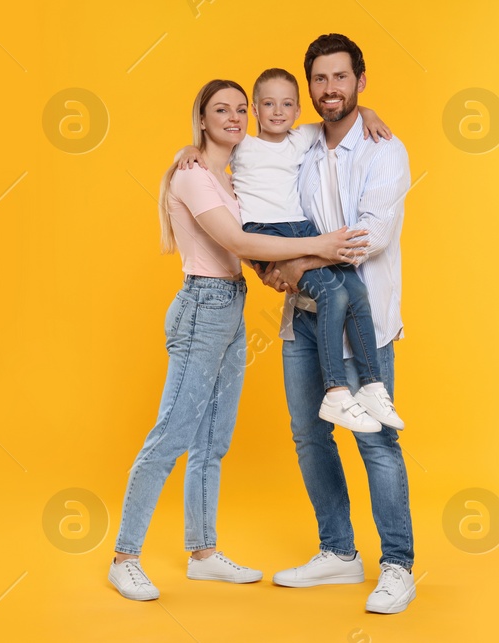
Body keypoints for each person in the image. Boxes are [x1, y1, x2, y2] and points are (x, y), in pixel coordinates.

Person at [108, 78, 370, 602]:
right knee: (172, 435)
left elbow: (246, 250)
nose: (234, 117)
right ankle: (124, 557)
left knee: (212, 441)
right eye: (220, 110)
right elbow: (235, 239)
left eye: (240, 110)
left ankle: (202, 553)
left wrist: (271, 270)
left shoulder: (222, 175)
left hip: (229, 304)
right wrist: (321, 246)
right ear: (201, 120)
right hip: (201, 306)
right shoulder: (193, 176)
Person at [261, 34, 417, 614]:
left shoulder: (385, 150)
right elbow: (253, 150)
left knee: (376, 442)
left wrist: (296, 260)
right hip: (301, 318)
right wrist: (195, 153)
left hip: (362, 318)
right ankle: (339, 553)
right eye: (320, 80)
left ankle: (398, 565)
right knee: (310, 437)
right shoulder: (299, 142)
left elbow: (369, 237)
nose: (330, 90)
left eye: (341, 78)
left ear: (361, 80)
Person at [174, 68, 404, 434]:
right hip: (267, 232)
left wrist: (371, 113)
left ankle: (372, 385)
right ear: (254, 109)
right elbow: (211, 149)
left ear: (298, 110)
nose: (277, 112)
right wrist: (189, 148)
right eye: (268, 104)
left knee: (357, 290)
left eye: (286, 105)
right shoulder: (243, 145)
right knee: (332, 294)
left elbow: (344, 116)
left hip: (301, 227)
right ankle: (336, 390)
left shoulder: (301, 139)